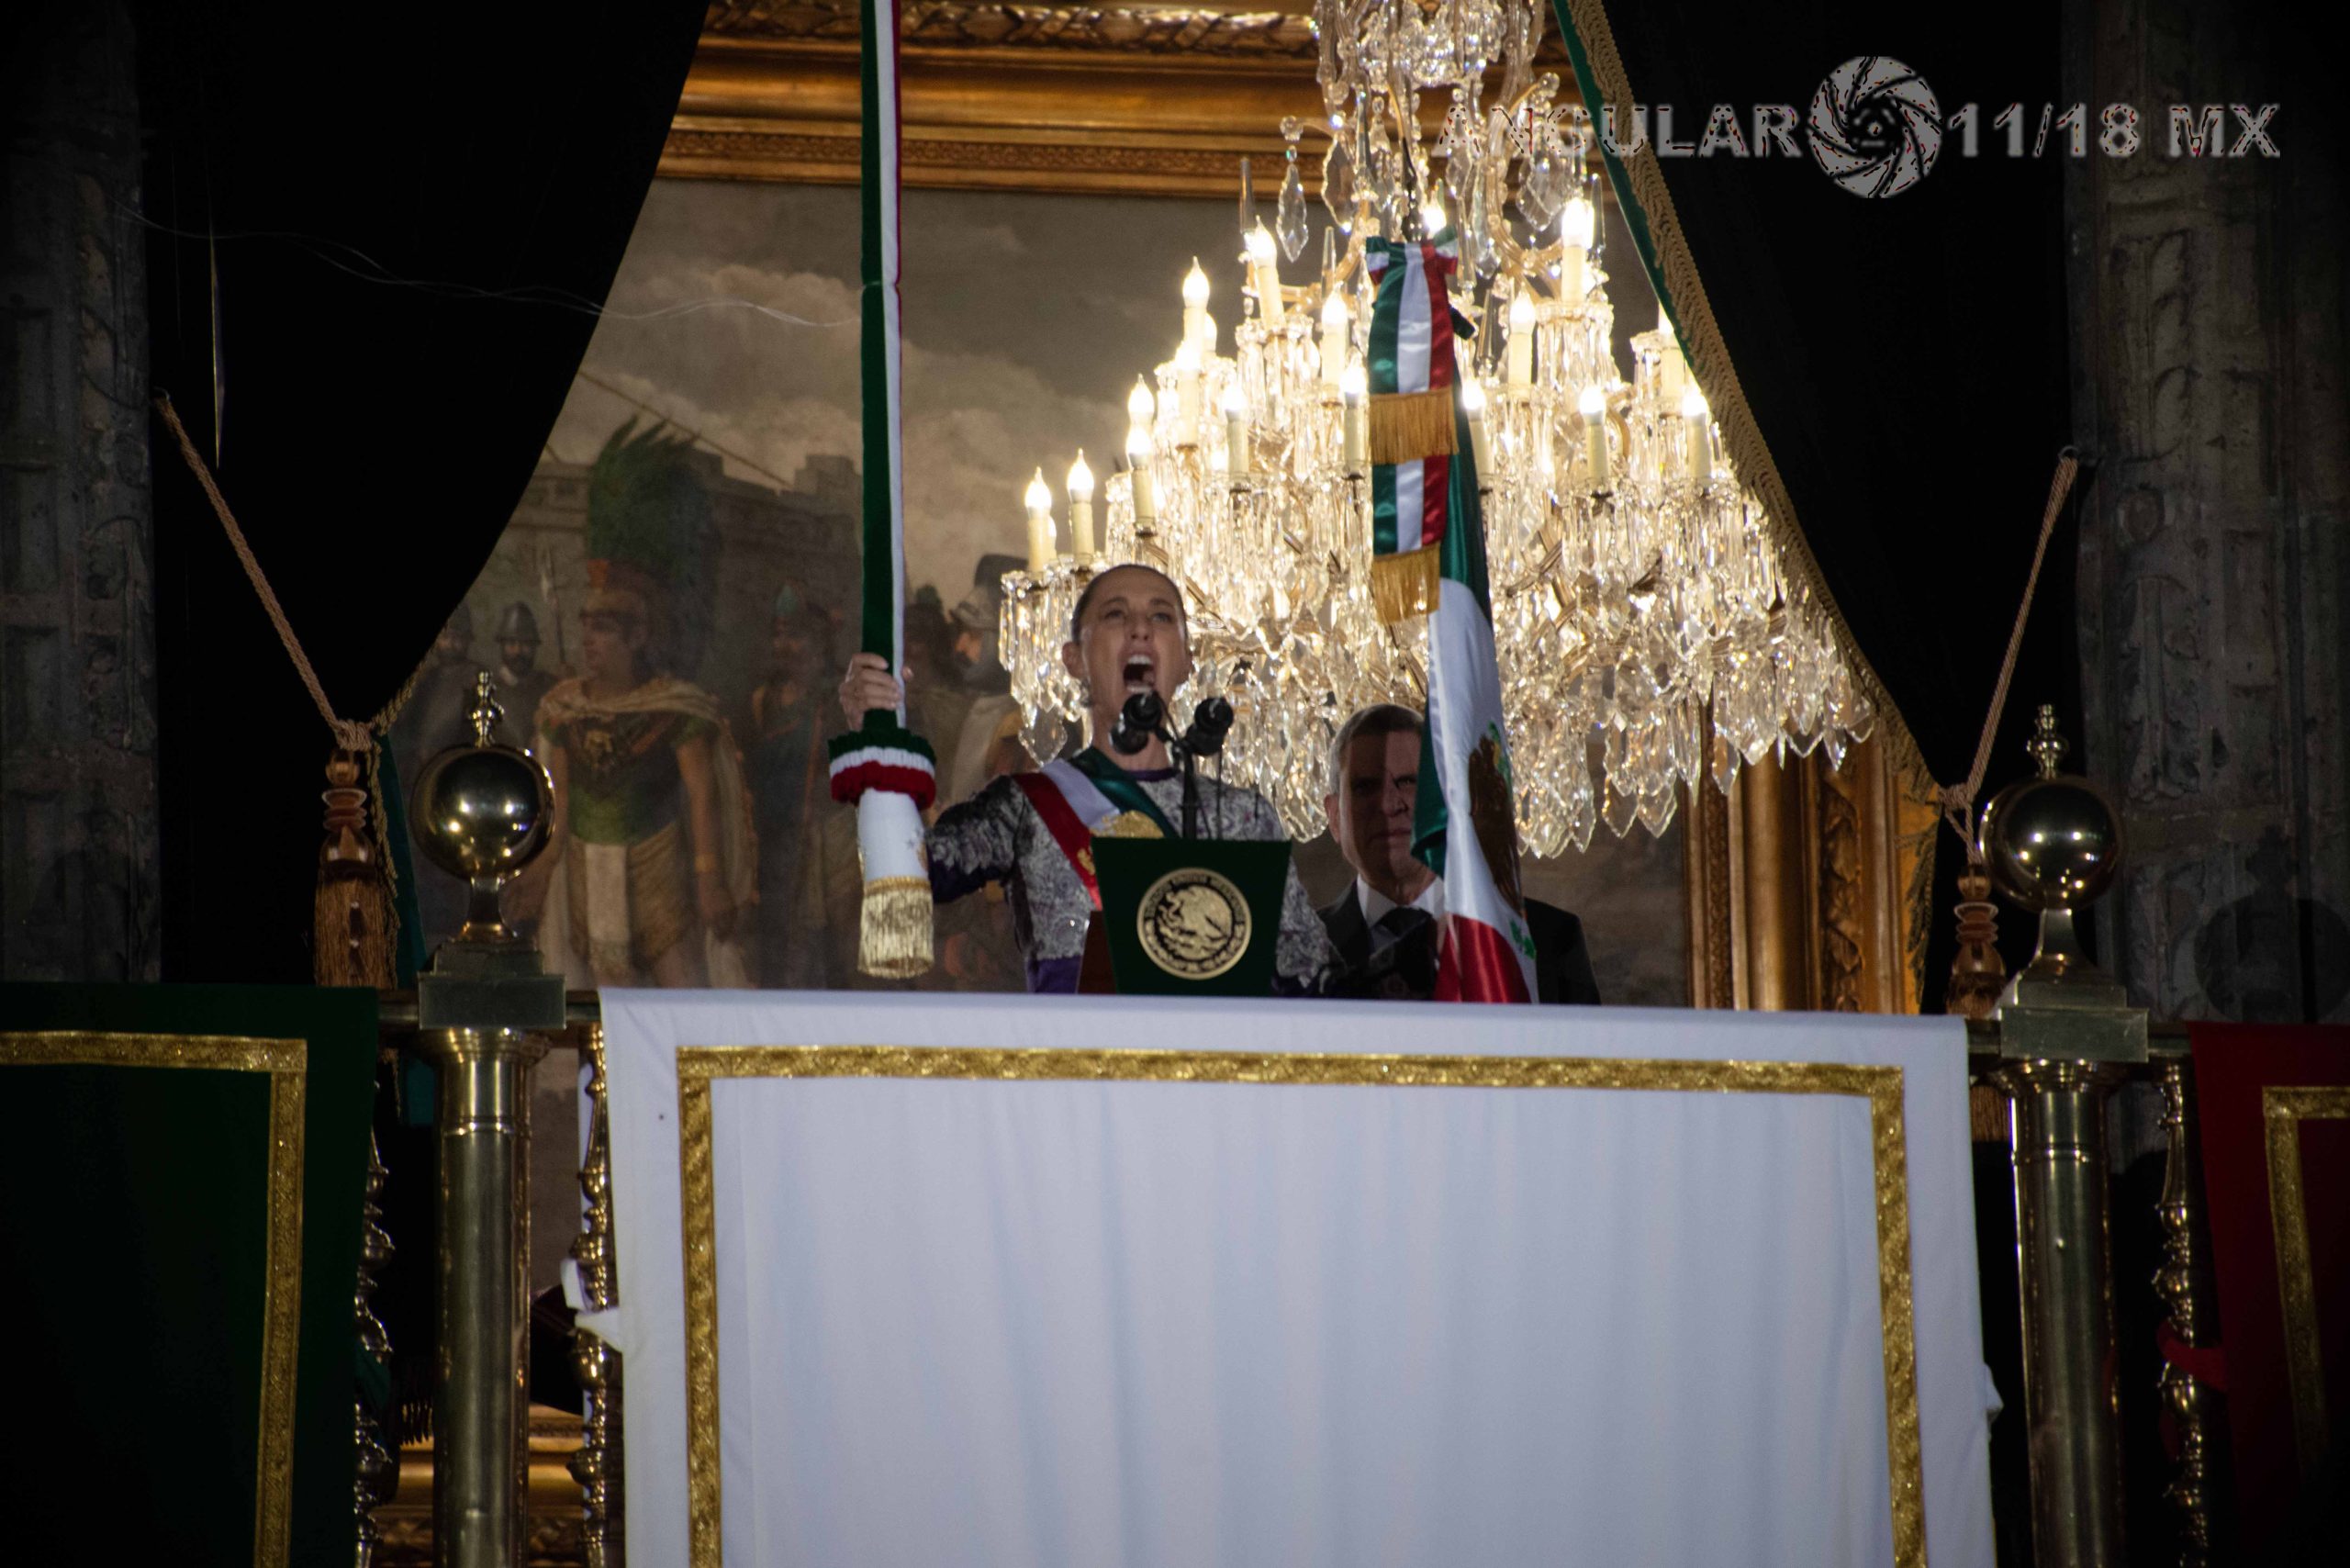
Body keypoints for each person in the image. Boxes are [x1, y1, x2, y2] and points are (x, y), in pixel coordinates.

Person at [839, 561, 1337, 994]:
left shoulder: (1245, 817)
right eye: (1116, 614)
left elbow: (1313, 979)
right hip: (1077, 1087)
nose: (1140, 629)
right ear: (1074, 660)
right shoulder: (1026, 806)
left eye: (1161, 616)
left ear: (1186, 662)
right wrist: (874, 735)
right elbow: (910, 875)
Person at [509, 563, 755, 988]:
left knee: (680, 989)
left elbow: (701, 795)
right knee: (604, 1002)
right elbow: (559, 803)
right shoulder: (565, 711)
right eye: (585, 627)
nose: (588, 640)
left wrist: (710, 879)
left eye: (602, 629)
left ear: (637, 637)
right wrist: (537, 873)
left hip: (659, 871)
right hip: (587, 872)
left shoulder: (674, 708)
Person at [1319, 702, 1601, 1003]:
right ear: (1335, 816)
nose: (1389, 804)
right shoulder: (1289, 954)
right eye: (1365, 787)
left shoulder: (1549, 938)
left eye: (1409, 782)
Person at [746, 588, 832, 988]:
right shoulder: (761, 703)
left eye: (796, 635)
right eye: (779, 635)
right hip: (770, 849)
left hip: (825, 851)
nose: (786, 646)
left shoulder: (833, 704)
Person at [492, 600, 560, 748]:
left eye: (525, 644)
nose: (518, 651)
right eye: (512, 644)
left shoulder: (551, 687)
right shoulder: (488, 692)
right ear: (502, 646)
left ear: (534, 647)